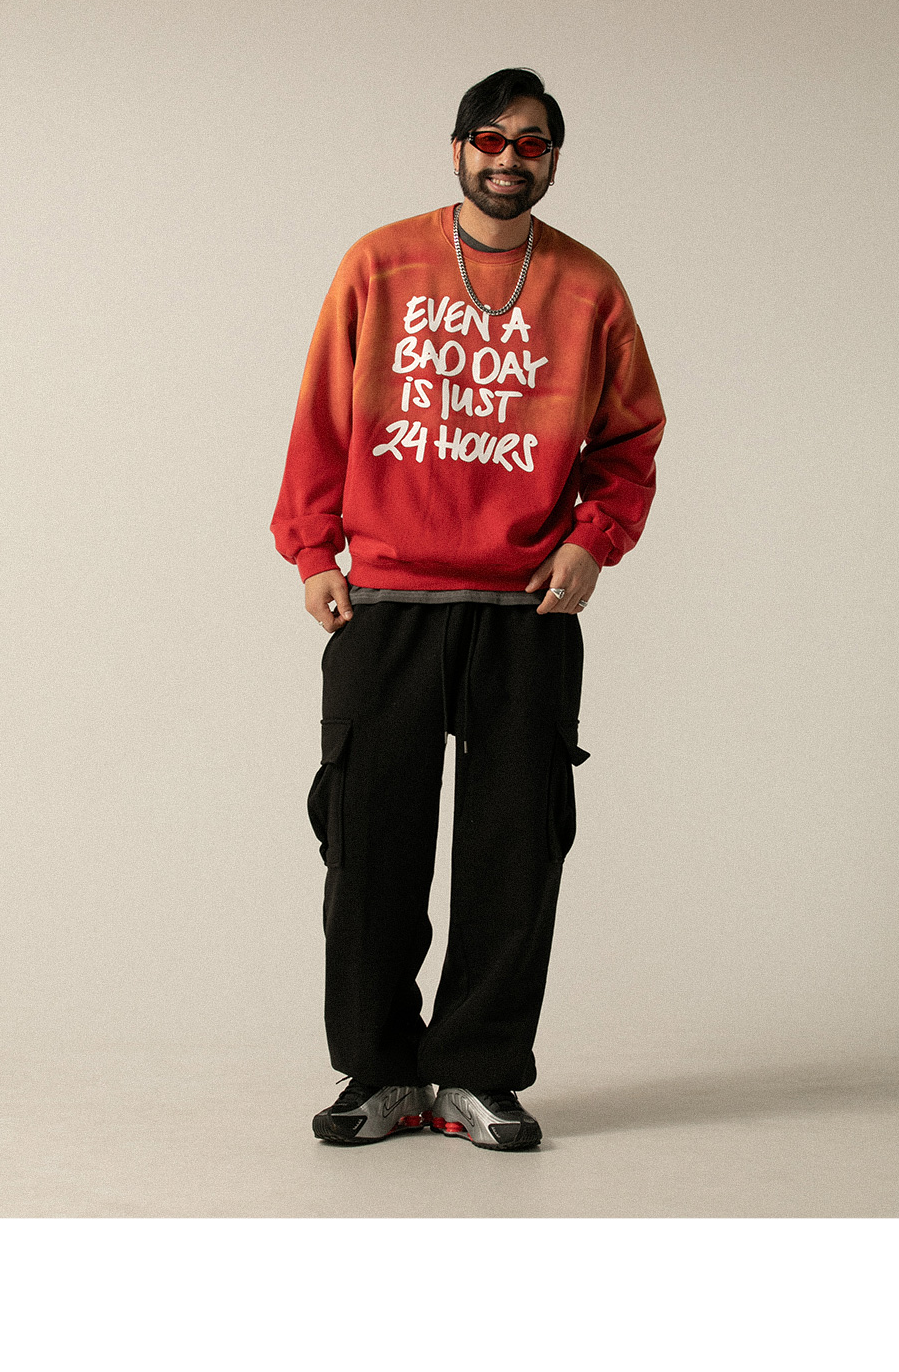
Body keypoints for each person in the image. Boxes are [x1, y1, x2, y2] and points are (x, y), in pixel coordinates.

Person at [271, 67, 665, 1151]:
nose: (508, 159)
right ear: (456, 149)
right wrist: (312, 549)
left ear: (552, 161)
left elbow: (631, 436)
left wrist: (593, 538)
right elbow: (321, 415)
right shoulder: (380, 262)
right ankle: (380, 1072)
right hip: (386, 601)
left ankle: (477, 1075)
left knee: (515, 851)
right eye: (490, 139)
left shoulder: (588, 287)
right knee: (368, 846)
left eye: (531, 143)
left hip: (524, 611)